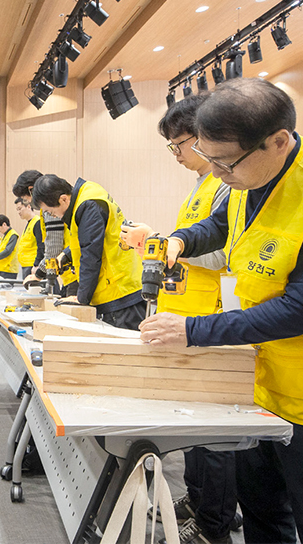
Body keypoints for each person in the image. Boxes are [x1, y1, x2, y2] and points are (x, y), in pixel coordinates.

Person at [139, 78, 303, 544]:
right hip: (257, 379)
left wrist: (193, 330)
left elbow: (302, 309)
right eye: (212, 161)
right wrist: (181, 239)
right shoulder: (250, 176)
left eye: (226, 163)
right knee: (263, 512)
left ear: (278, 141)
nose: (219, 174)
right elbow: (220, 224)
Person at [121, 95, 239, 544]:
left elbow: (226, 254)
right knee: (193, 432)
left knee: (214, 437)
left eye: (180, 144)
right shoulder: (201, 185)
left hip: (211, 319)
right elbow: (192, 244)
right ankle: (199, 501)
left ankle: (213, 524)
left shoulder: (227, 184)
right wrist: (159, 242)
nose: (177, 155)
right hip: (184, 321)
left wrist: (158, 238)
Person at [32, 174, 144, 329]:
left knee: (123, 349)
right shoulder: (87, 195)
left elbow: (91, 255)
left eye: (52, 212)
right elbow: (91, 240)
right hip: (119, 285)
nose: (55, 217)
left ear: (63, 199)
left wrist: (81, 298)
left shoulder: (88, 206)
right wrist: (66, 254)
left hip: (120, 290)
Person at [11, 169, 73, 295]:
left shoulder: (50, 206)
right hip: (69, 269)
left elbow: (53, 247)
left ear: (31, 189)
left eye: (25, 199)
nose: (28, 203)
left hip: (73, 271)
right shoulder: (49, 205)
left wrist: (40, 273)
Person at [14, 197, 45, 280]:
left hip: (32, 265)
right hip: (26, 265)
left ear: (28, 206)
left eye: (20, 209)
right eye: (17, 210)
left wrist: (36, 264)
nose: (18, 212)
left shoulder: (37, 222)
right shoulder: (29, 223)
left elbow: (41, 245)